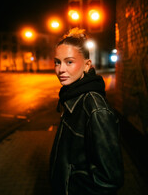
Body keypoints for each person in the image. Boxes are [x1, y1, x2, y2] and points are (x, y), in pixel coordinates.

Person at [49, 28, 124, 195]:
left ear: (87, 65)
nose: (60, 69)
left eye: (69, 62)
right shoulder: (71, 97)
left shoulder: (96, 109)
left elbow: (110, 179)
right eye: (57, 62)